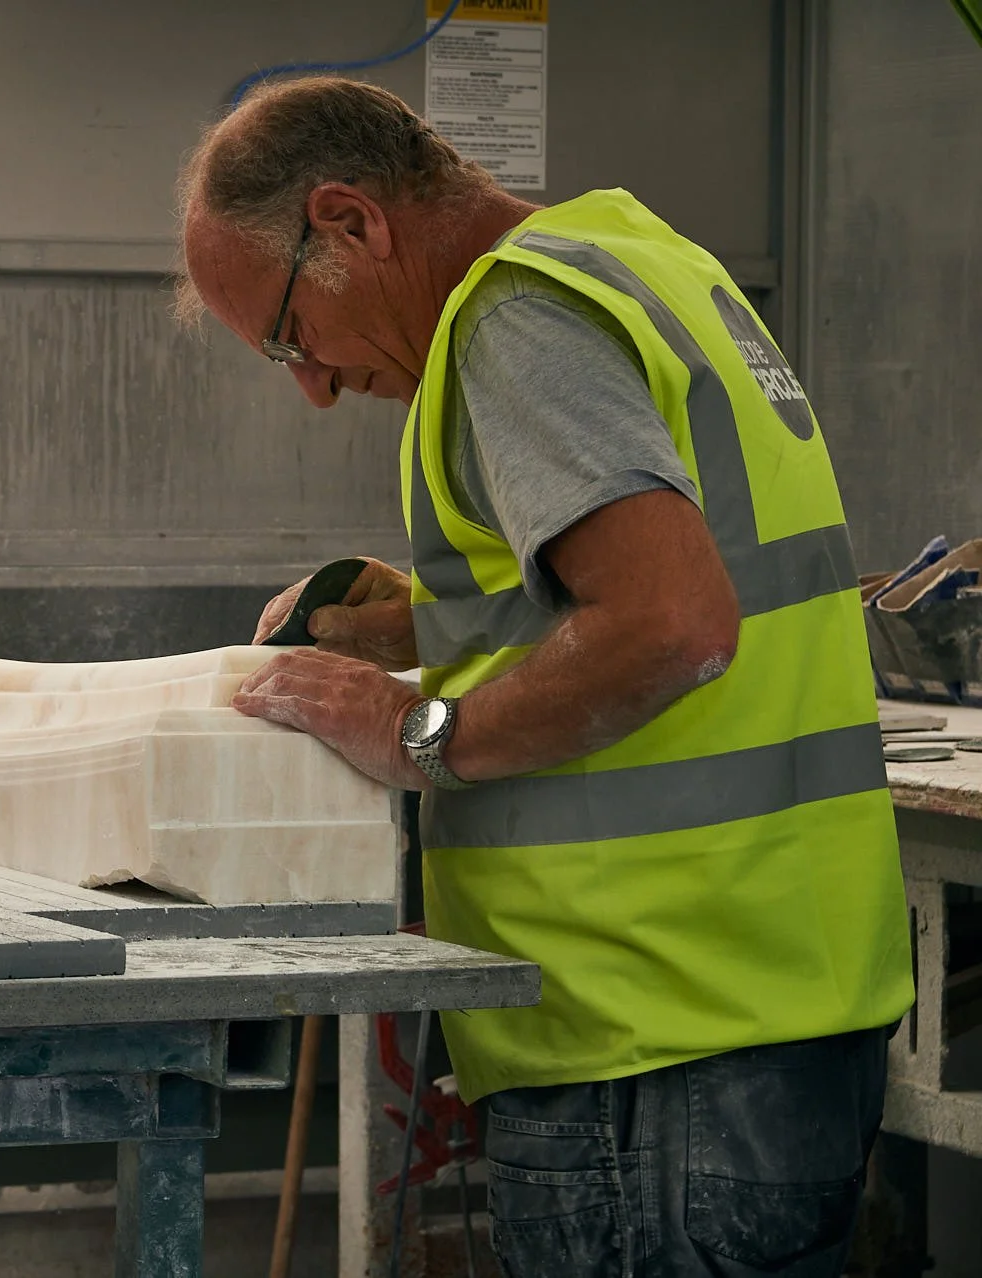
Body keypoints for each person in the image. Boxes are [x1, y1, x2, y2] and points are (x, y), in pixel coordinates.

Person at [174, 76, 913, 1277]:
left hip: (654, 1048)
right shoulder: (642, 261)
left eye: (291, 334)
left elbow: (673, 625)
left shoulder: (514, 326)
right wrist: (433, 623)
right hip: (766, 1011)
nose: (312, 386)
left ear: (351, 221)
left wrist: (415, 732)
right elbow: (667, 581)